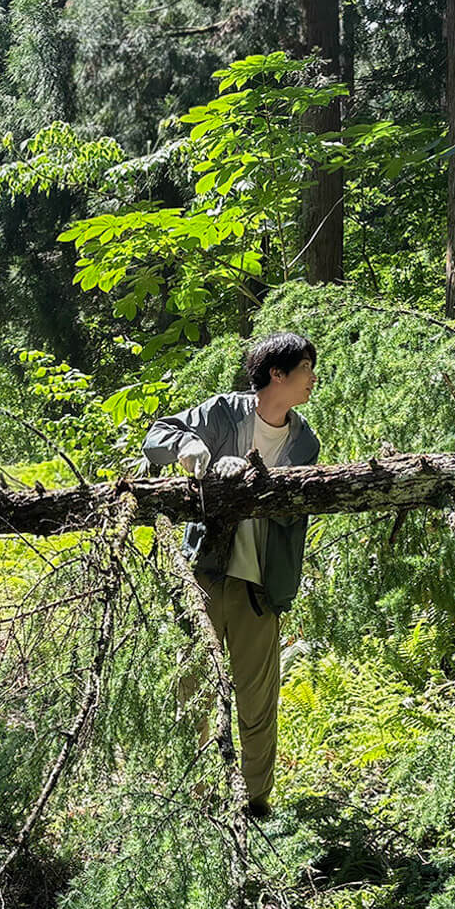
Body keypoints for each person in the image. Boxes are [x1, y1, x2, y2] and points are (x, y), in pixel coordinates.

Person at [143, 332, 321, 817]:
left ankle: (256, 802)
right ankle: (197, 798)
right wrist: (188, 446)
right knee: (194, 689)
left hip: (261, 586)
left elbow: (293, 514)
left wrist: (257, 485)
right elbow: (156, 437)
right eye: (305, 367)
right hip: (205, 576)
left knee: (258, 701)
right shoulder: (223, 412)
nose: (312, 377)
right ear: (277, 374)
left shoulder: (305, 441)